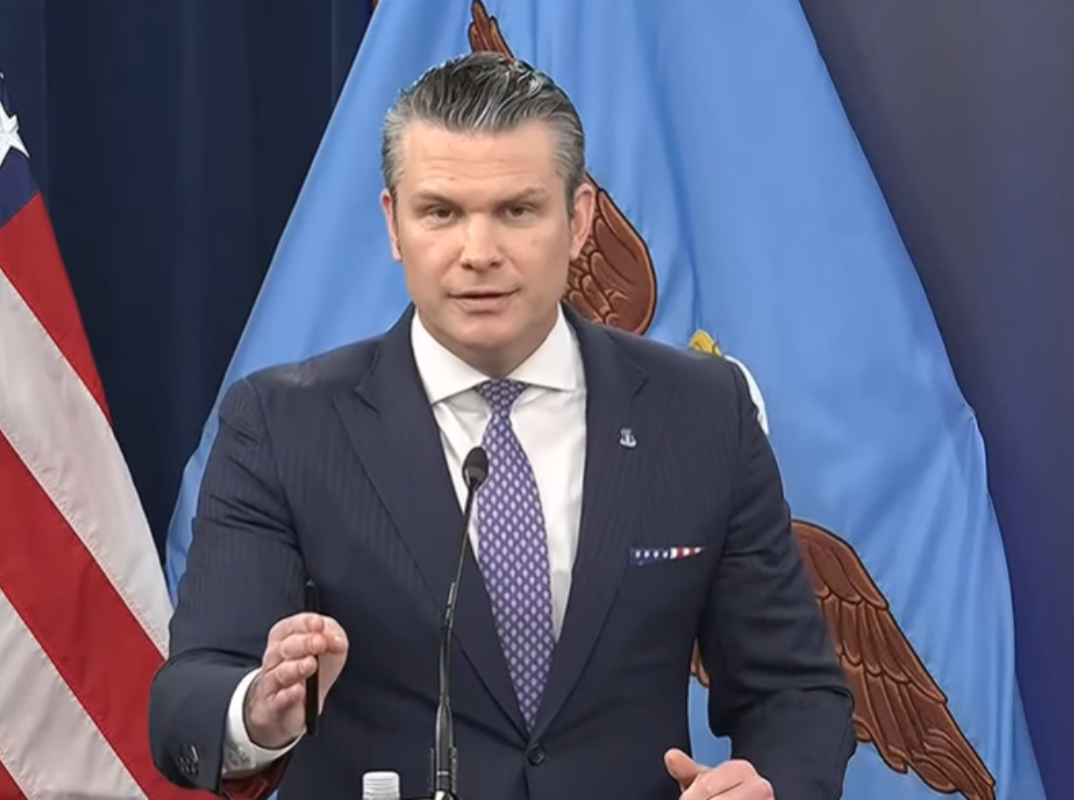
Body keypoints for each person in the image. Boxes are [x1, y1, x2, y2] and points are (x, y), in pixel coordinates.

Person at [148, 51, 856, 800]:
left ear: (579, 220)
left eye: (517, 211)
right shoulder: (283, 425)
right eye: (441, 213)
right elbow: (185, 701)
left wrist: (769, 787)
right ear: (393, 224)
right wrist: (258, 712)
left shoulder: (702, 411)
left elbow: (795, 692)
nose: (479, 254)